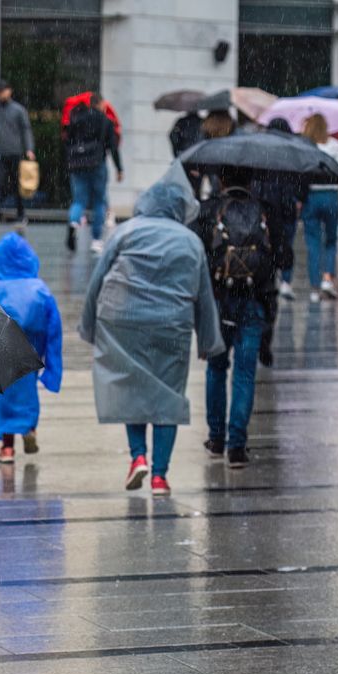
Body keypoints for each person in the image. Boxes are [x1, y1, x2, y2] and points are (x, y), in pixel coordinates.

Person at [78, 164, 224, 497]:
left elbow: (98, 280)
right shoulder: (190, 240)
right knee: (167, 397)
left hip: (124, 320)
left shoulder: (127, 232)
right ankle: (159, 477)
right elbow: (204, 294)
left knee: (132, 388)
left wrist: (88, 326)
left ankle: (137, 457)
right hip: (171, 325)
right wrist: (208, 338)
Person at [193, 167, 278, 469]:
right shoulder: (264, 212)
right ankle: (237, 446)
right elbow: (277, 260)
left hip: (218, 302)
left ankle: (216, 437)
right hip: (254, 300)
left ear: (221, 179)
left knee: (216, 369)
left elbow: (196, 257)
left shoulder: (208, 211)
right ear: (251, 180)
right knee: (244, 373)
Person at [0, 233, 63, 466]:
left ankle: (7, 447)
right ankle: (30, 428)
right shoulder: (40, 289)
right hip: (33, 345)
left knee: (4, 393)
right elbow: (54, 327)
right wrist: (52, 363)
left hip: (4, 346)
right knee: (28, 390)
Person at [254, 117, 309, 303]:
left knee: (267, 240)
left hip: (265, 202)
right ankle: (285, 280)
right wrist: (299, 198)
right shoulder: (293, 150)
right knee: (287, 241)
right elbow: (302, 178)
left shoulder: (260, 149)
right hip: (286, 203)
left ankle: (270, 276)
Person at [299, 113, 338, 303]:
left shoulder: (304, 146)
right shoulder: (335, 145)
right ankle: (327, 279)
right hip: (330, 195)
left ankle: (314, 287)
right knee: (330, 240)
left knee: (313, 243)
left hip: (311, 197)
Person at [64, 93, 123, 254]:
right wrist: (119, 168)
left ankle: (74, 222)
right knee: (99, 202)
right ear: (102, 104)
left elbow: (67, 140)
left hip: (77, 164)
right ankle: (96, 240)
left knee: (78, 200)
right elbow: (113, 147)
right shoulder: (106, 121)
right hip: (97, 164)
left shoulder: (77, 118)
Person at [0, 80, 35, 225]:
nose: (1, 94)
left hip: (15, 153)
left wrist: (29, 149)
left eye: (3, 91)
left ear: (9, 91)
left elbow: (26, 130)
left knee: (19, 184)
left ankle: (21, 214)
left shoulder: (18, 110)